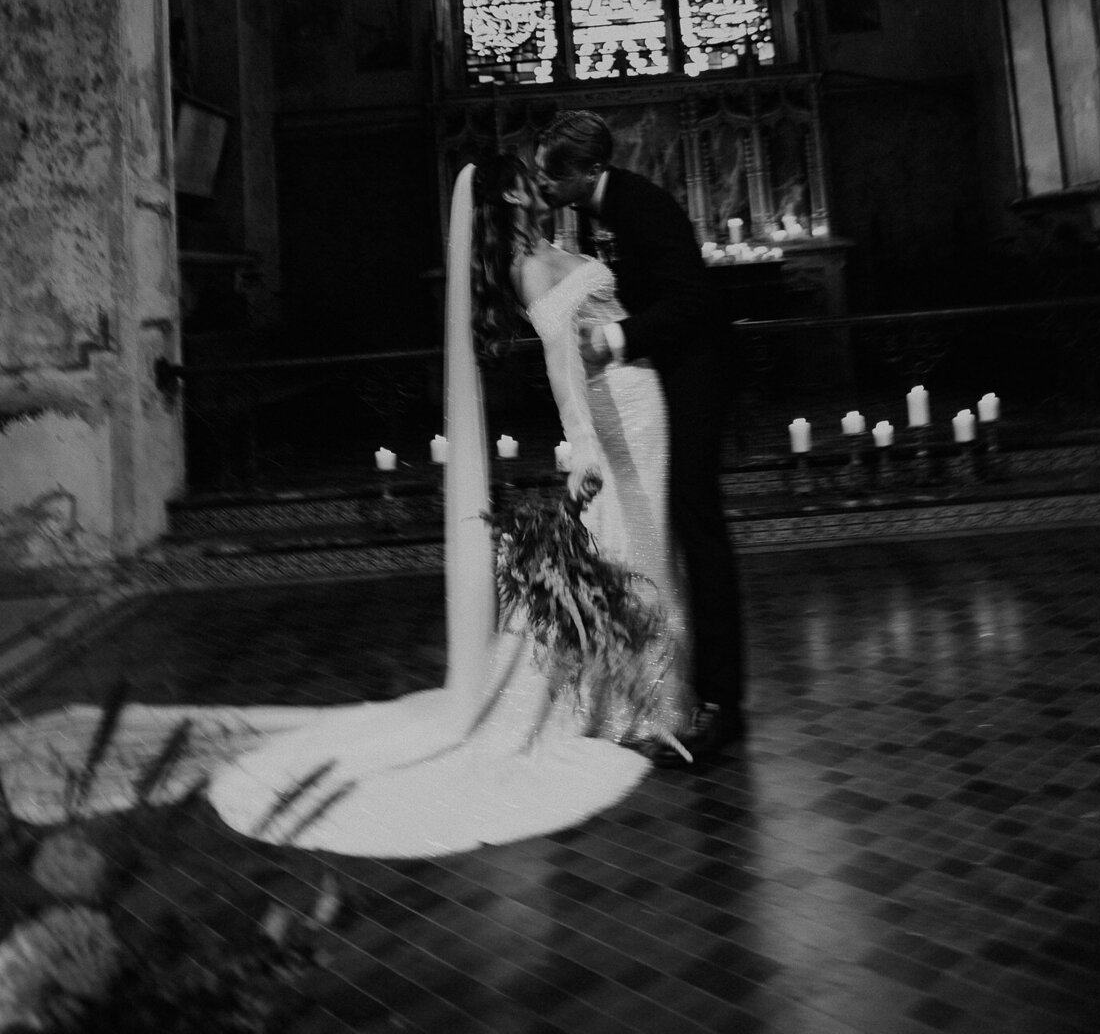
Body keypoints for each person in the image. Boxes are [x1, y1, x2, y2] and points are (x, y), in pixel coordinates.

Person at [0, 154, 687, 858]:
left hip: (634, 405)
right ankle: (621, 699)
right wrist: (584, 441)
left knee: (636, 545)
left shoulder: (547, 251)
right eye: (525, 183)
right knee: (621, 546)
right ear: (509, 196)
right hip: (609, 418)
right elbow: (559, 362)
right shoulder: (528, 267)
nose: (539, 190)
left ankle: (633, 694)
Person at [535, 109, 745, 763]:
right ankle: (705, 691)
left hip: (696, 386)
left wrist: (615, 338)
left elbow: (695, 303)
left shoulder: (639, 205)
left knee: (701, 534)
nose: (547, 186)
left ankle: (721, 704)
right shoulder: (613, 207)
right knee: (688, 531)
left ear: (589, 171)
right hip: (677, 383)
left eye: (555, 174)